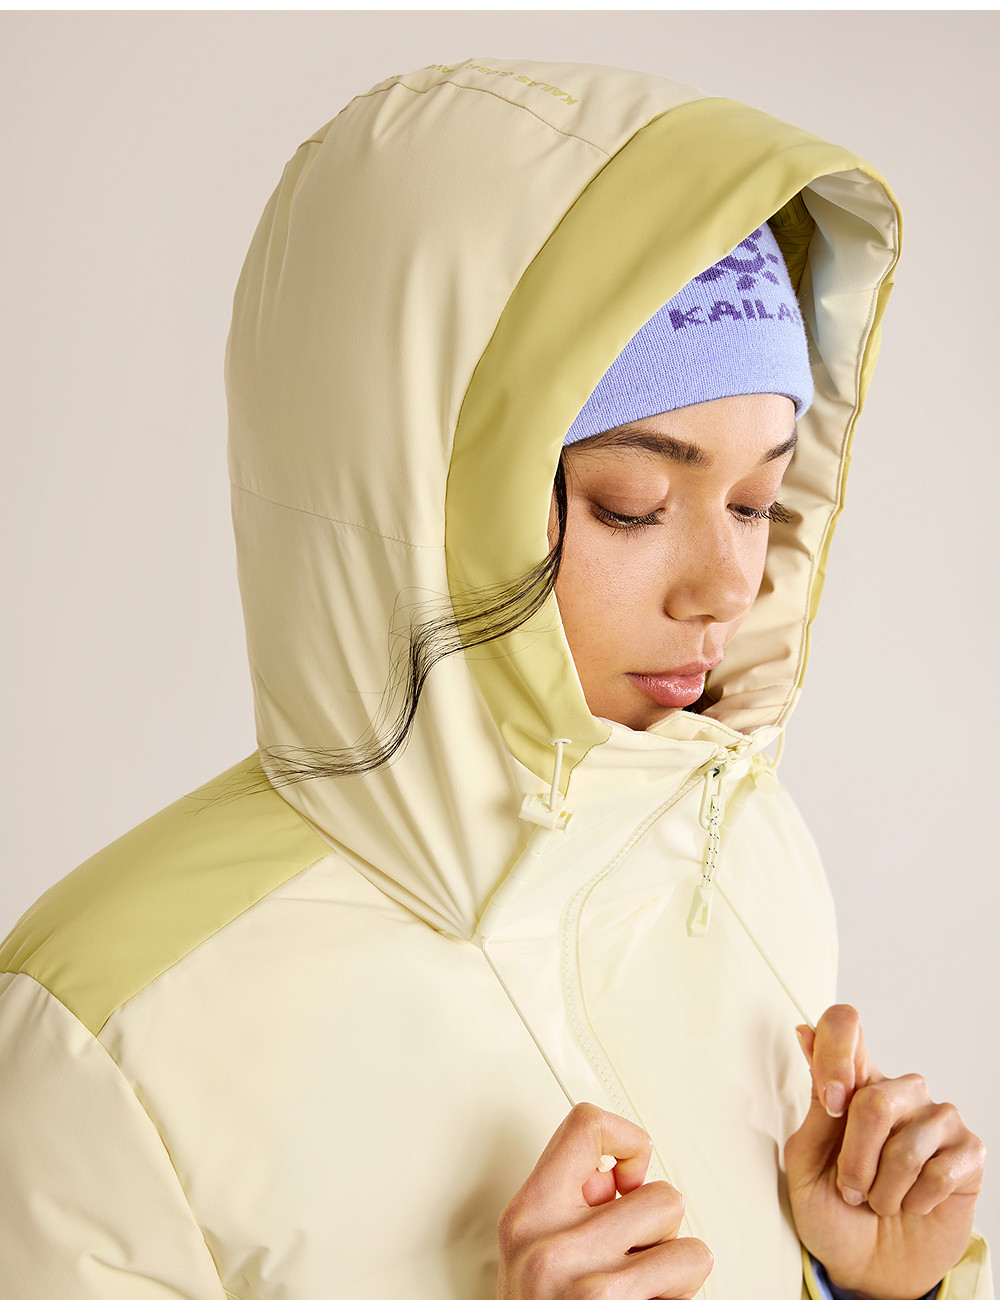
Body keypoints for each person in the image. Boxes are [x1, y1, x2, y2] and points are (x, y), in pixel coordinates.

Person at [0, 56, 990, 1300]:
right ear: (416, 502)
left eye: (756, 501)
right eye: (632, 503)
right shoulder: (99, 1041)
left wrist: (876, 1288)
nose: (727, 588)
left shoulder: (740, 853)